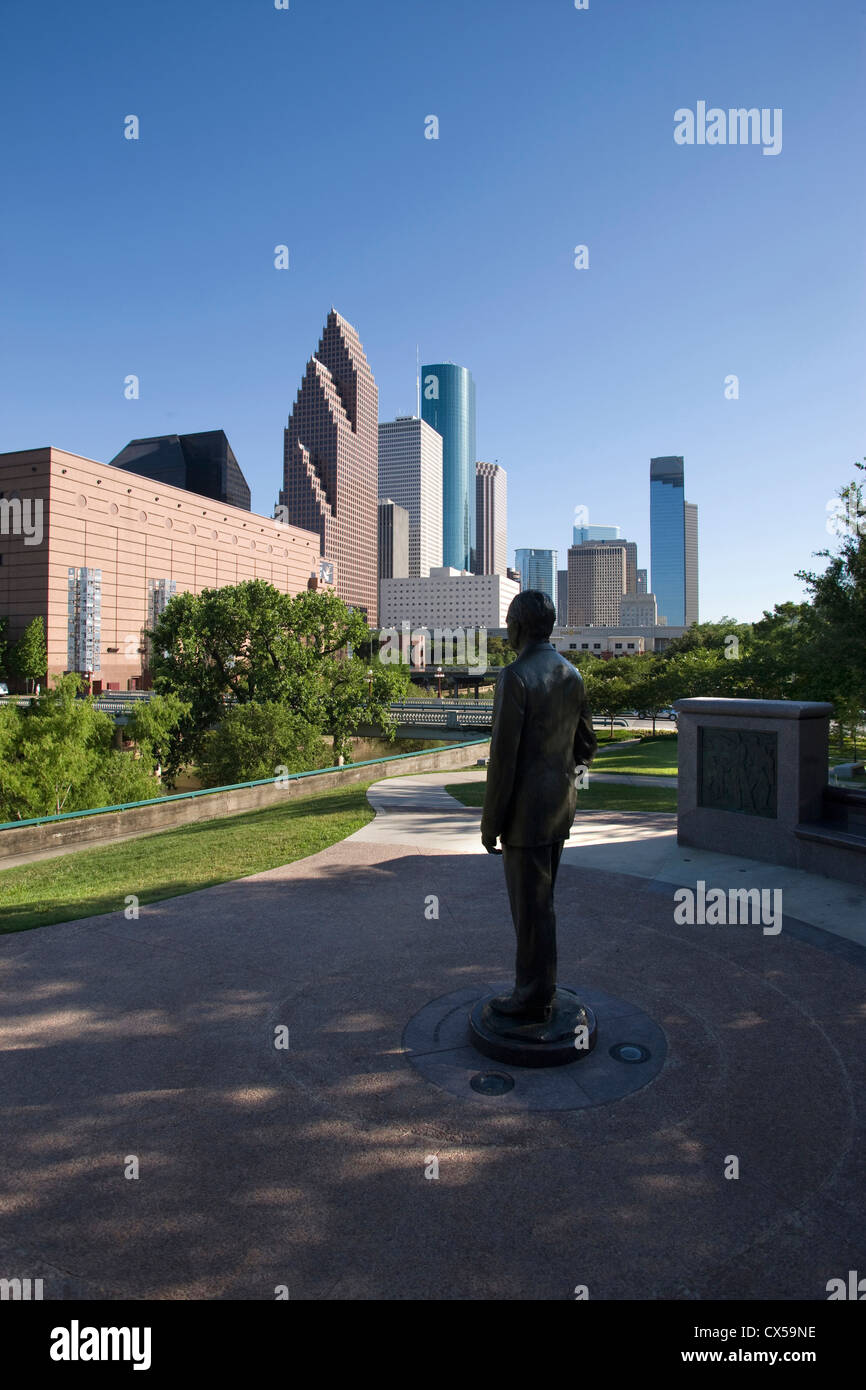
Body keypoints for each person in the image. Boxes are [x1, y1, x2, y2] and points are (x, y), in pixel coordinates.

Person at [480, 590, 597, 1023]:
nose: (507, 630)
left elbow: (503, 760)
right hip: (559, 812)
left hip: (525, 818)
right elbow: (586, 746)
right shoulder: (573, 674)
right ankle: (539, 991)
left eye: (509, 621)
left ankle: (531, 998)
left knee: (531, 912)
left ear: (521, 626)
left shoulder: (515, 676)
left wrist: (490, 822)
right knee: (542, 906)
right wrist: (563, 781)